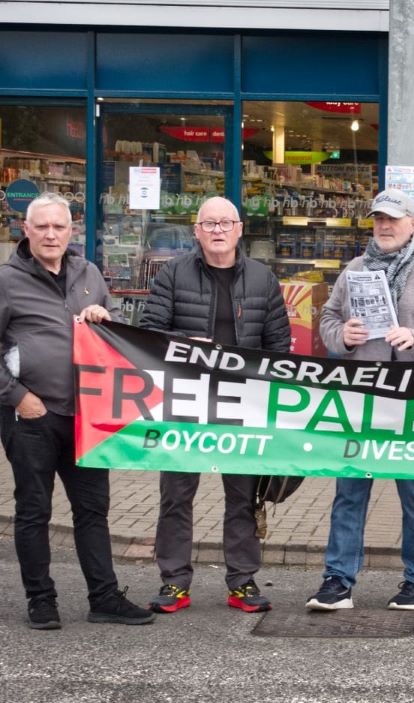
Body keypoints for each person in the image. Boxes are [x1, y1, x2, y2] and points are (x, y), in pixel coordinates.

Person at [306, 190, 414, 612]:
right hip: (361, 398)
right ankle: (337, 581)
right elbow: (328, 318)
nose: (384, 225)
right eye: (378, 218)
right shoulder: (356, 269)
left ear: (412, 223)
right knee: (349, 491)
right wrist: (342, 337)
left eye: (393, 219)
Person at [0, 193, 155, 629]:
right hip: (31, 415)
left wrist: (104, 314)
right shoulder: (6, 280)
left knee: (93, 511)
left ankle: (104, 596)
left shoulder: (88, 273)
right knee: (34, 510)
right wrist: (17, 397)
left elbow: (114, 336)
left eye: (59, 227)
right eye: (42, 227)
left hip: (87, 416)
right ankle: (40, 599)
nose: (51, 234)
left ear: (72, 231)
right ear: (25, 230)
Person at [141, 196, 291, 614]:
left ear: (240, 229)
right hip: (183, 402)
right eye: (209, 223)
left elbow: (279, 347)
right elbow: (149, 334)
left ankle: (242, 581)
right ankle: (174, 583)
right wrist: (188, 347)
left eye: (226, 223)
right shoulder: (172, 274)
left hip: (243, 404)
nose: (218, 230)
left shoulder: (263, 279)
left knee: (243, 496)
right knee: (175, 494)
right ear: (197, 231)